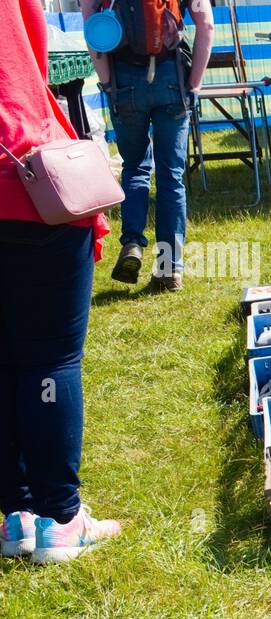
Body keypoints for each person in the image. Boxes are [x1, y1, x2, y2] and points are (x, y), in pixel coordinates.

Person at [1, 0, 122, 564]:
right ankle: (59, 518)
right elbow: (31, 50)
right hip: (24, 178)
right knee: (49, 360)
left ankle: (18, 515)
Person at [82, 0, 214, 292]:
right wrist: (194, 85)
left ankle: (132, 243)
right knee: (171, 177)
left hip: (125, 79)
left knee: (135, 167)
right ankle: (170, 269)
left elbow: (91, 27)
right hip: (171, 78)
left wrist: (107, 83)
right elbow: (206, 25)